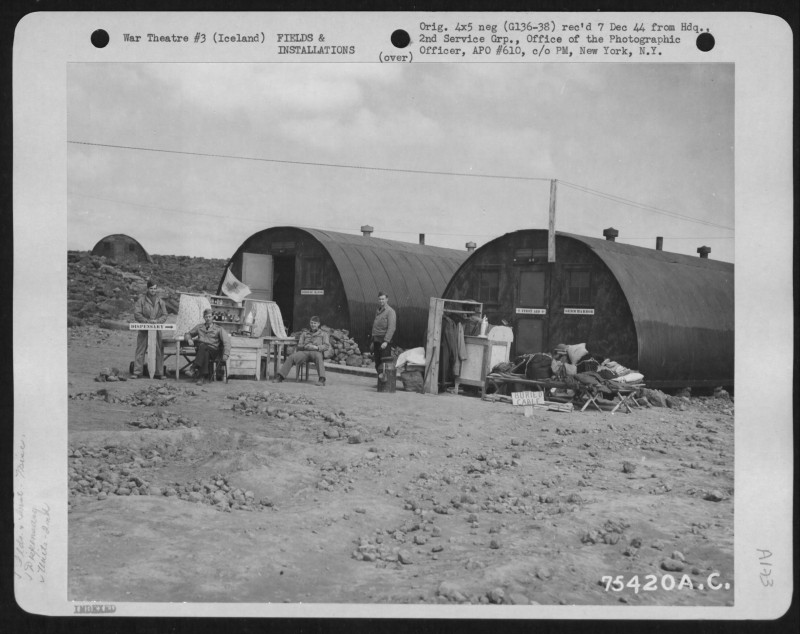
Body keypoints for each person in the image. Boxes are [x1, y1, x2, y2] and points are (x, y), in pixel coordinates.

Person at [273, 316, 329, 386]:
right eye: (311, 323)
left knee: (319, 357)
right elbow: (299, 345)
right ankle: (280, 377)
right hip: (304, 352)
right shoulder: (304, 333)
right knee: (291, 357)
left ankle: (322, 379)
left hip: (316, 352)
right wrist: (304, 346)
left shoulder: (323, 334)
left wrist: (316, 347)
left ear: (318, 324)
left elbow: (326, 346)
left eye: (315, 323)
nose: (313, 325)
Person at [131, 279, 168, 379]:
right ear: (147, 289)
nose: (153, 290)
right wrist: (146, 321)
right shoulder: (141, 300)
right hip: (144, 330)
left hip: (156, 329)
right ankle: (137, 372)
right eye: (151, 288)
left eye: (155, 288)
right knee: (140, 350)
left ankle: (159, 373)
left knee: (158, 350)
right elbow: (137, 314)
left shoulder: (160, 302)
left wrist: (157, 321)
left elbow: (165, 315)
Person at [185, 308, 231, 386]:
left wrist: (226, 354)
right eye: (206, 317)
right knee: (204, 351)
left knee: (203, 347)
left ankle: (193, 368)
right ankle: (202, 377)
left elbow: (227, 342)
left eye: (210, 316)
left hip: (213, 351)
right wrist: (189, 339)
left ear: (213, 317)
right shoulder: (199, 327)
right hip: (201, 350)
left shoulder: (219, 329)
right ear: (204, 317)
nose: (208, 318)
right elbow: (187, 334)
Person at [370, 291, 396, 374]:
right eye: (380, 299)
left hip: (384, 341)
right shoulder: (378, 311)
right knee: (377, 363)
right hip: (376, 340)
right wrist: (373, 341)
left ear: (387, 299)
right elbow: (375, 327)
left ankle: (385, 381)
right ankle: (380, 380)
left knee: (384, 364)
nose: (381, 301)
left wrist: (386, 341)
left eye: (383, 299)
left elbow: (391, 328)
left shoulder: (390, 311)